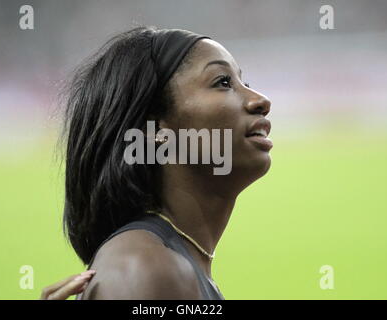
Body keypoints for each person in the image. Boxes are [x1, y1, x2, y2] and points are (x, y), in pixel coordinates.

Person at [51, 26, 272, 300]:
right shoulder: (145, 269)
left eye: (245, 84)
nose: (261, 101)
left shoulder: (169, 262)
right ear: (154, 127)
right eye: (223, 82)